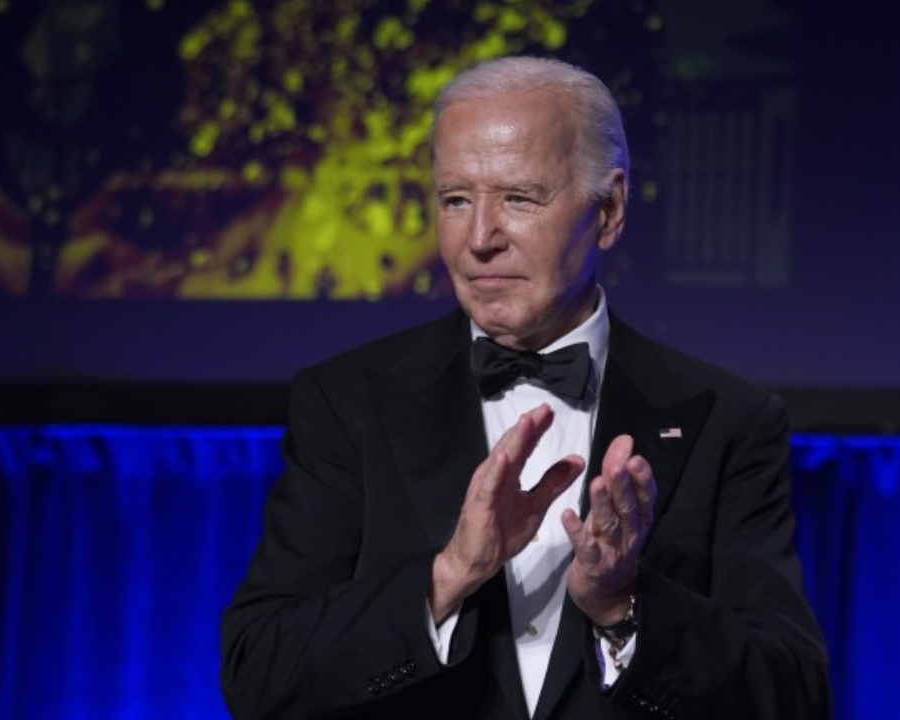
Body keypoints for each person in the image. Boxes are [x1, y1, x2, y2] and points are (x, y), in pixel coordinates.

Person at [221, 56, 830, 720]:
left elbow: (790, 695)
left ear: (609, 210)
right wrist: (447, 577)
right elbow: (261, 676)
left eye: (518, 198)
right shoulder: (346, 402)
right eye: (455, 199)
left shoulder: (727, 420)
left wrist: (623, 605)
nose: (478, 239)